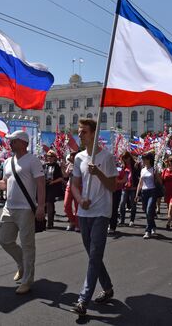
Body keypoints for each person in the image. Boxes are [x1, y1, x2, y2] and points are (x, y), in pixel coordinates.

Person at [0, 130, 45, 295]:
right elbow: (5, 185)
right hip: (9, 208)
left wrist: (41, 206)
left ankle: (27, 280)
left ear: (23, 142)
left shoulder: (33, 161)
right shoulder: (8, 162)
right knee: (5, 241)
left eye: (13, 141)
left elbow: (41, 185)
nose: (10, 143)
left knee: (27, 245)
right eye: (10, 141)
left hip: (26, 209)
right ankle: (22, 264)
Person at [69, 118, 117, 316]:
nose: (80, 135)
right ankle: (107, 289)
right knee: (93, 255)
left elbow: (113, 186)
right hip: (84, 211)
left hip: (101, 212)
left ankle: (83, 300)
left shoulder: (106, 157)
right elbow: (73, 184)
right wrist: (80, 200)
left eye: (84, 132)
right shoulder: (79, 157)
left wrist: (98, 173)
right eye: (79, 131)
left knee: (95, 255)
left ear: (94, 134)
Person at [136, 152, 160, 239]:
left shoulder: (154, 169)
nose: (143, 161)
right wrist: (137, 194)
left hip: (152, 191)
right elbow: (140, 183)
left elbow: (159, 181)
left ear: (149, 159)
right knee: (146, 211)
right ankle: (153, 225)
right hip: (144, 192)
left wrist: (158, 175)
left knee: (149, 210)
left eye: (145, 159)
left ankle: (148, 230)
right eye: (143, 159)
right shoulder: (142, 170)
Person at [117, 151, 140, 227]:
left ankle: (132, 220)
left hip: (133, 187)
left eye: (126, 158)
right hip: (124, 187)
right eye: (124, 159)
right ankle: (122, 220)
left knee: (133, 204)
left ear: (129, 157)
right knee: (122, 203)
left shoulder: (135, 165)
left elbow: (138, 176)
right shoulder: (123, 166)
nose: (125, 160)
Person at [43, 150, 63, 229]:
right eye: (48, 156)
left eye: (51, 157)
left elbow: (60, 178)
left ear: (54, 158)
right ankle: (46, 220)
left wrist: (53, 182)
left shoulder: (57, 166)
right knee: (45, 203)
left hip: (53, 186)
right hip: (45, 186)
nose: (49, 158)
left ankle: (50, 223)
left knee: (49, 203)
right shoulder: (45, 166)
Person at [62, 151, 79, 232]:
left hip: (78, 187)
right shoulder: (69, 164)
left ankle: (77, 224)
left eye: (73, 156)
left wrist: (74, 163)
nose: (71, 157)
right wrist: (62, 167)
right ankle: (72, 221)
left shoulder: (80, 164)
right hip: (69, 186)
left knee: (77, 207)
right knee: (66, 205)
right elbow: (65, 175)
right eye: (71, 156)